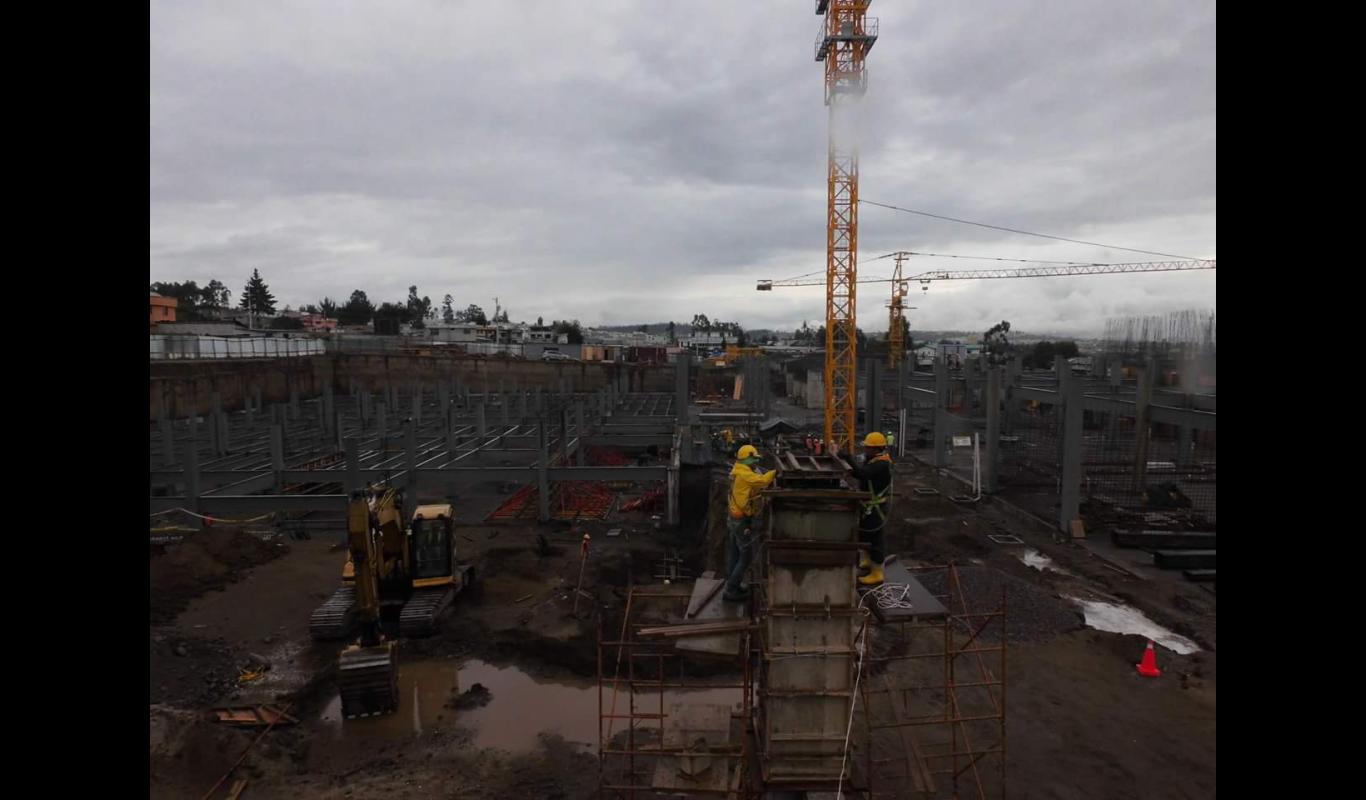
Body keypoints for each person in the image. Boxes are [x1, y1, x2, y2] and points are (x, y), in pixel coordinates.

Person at [724, 444, 776, 601]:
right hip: (741, 521)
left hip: (733, 518)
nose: (756, 463)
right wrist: (776, 472)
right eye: (754, 459)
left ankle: (733, 584)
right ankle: (731, 589)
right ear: (747, 459)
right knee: (745, 557)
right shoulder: (746, 475)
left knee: (735, 553)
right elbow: (763, 481)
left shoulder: (738, 469)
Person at [847, 432, 895, 586]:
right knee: (864, 534)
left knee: (875, 539)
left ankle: (877, 572)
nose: (865, 450)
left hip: (875, 508)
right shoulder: (874, 460)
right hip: (870, 506)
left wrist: (848, 458)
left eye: (868, 447)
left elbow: (863, 474)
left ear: (876, 449)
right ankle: (868, 561)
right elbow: (860, 474)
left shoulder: (881, 464)